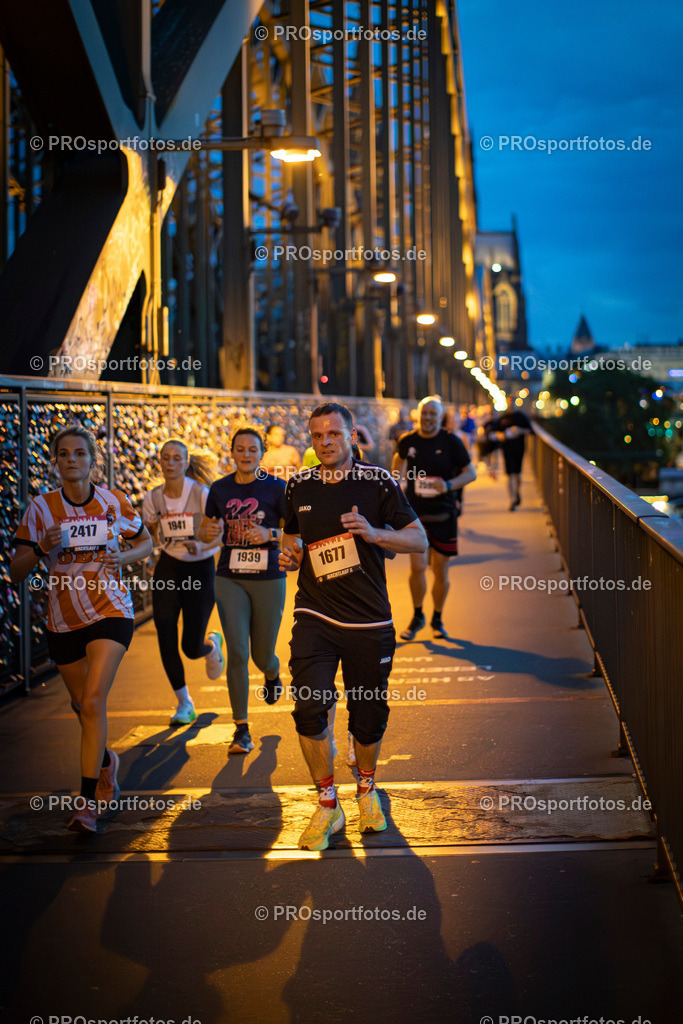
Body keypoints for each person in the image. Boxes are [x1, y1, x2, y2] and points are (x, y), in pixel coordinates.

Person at [279, 402, 427, 851]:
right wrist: (291, 555)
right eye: (318, 435)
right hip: (315, 613)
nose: (325, 442)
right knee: (309, 706)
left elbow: (418, 539)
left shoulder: (378, 482)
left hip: (369, 619)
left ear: (352, 438)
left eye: (334, 435)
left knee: (367, 720)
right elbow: (291, 539)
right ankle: (327, 803)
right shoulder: (298, 486)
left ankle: (365, 788)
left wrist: (375, 534)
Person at [10, 424, 153, 833]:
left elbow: (145, 541)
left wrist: (123, 561)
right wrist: (41, 547)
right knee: (80, 706)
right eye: (64, 454)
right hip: (63, 620)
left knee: (93, 702)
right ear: (55, 461)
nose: (72, 460)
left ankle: (86, 804)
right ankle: (106, 762)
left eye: (80, 453)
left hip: (111, 610)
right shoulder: (40, 509)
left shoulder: (113, 501)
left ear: (93, 460)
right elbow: (15, 572)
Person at [199, 427, 287, 755]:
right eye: (240, 449)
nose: (246, 455)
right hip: (229, 577)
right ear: (232, 453)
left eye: (253, 449)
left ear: (261, 453)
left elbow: (296, 534)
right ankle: (241, 729)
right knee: (237, 652)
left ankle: (273, 670)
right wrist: (206, 531)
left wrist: (270, 535)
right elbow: (207, 532)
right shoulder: (219, 489)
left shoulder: (278, 488)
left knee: (262, 654)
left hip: (268, 577)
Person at [142, 439, 224, 728]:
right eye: (165, 457)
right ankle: (183, 702)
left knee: (190, 646)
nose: (170, 462)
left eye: (177, 458)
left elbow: (220, 535)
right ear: (160, 461)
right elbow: (150, 537)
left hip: (200, 568)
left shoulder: (202, 494)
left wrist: (200, 546)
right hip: (169, 566)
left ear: (187, 462)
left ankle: (211, 646)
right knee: (164, 628)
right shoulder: (153, 498)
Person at [392, 395, 476, 641]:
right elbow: (398, 461)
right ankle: (417, 615)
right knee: (417, 566)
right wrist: (397, 481)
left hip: (444, 514)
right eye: (424, 413)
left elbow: (470, 473)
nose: (428, 418)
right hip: (416, 515)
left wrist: (448, 485)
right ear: (419, 415)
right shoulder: (408, 440)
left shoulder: (452, 442)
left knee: (441, 570)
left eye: (433, 414)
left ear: (441, 417)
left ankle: (437, 618)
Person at [486, 395, 533, 510]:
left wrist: (519, 430)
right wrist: (500, 435)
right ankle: (512, 500)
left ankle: (517, 493)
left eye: (513, 402)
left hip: (519, 449)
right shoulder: (503, 418)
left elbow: (531, 431)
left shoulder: (521, 417)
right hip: (507, 450)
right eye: (509, 402)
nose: (511, 404)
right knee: (510, 474)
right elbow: (492, 433)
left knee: (517, 474)